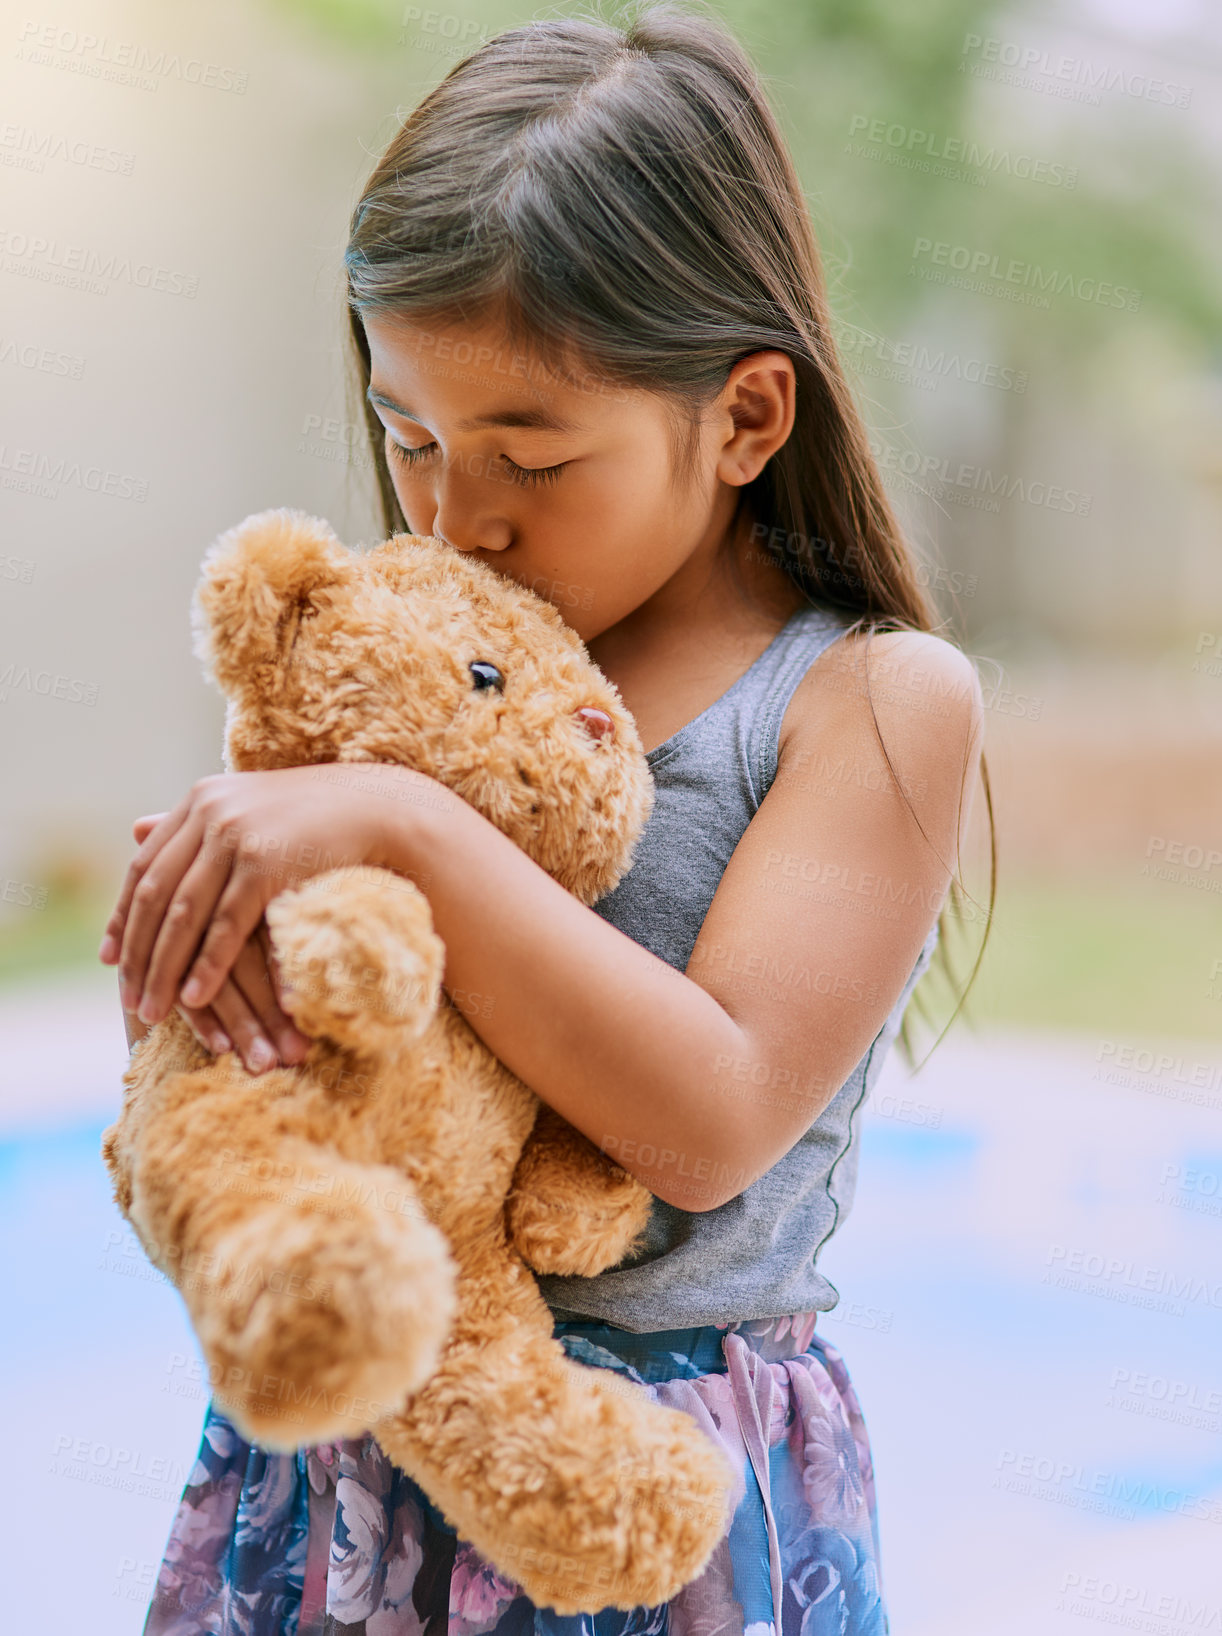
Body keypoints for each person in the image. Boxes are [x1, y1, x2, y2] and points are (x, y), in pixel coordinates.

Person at [102, 7, 993, 1631]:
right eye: (409, 433)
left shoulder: (864, 699)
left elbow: (713, 1122)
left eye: (528, 452)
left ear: (742, 420)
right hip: (358, 1453)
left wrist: (405, 829)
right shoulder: (410, 658)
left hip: (641, 1481)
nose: (452, 513)